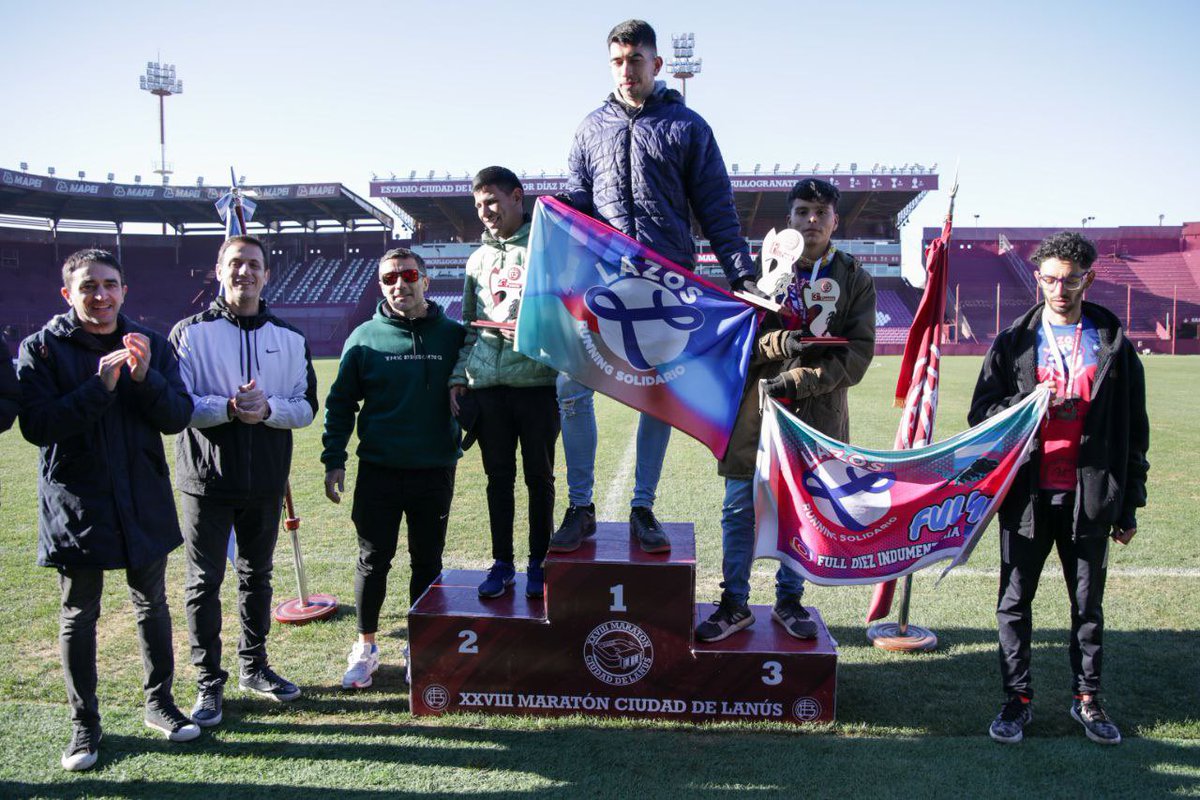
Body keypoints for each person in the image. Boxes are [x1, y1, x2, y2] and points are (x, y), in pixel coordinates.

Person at [550, 18, 760, 554]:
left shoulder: (688, 127)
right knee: (571, 388)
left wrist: (742, 274)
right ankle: (580, 506)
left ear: (657, 63)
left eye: (636, 60)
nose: (626, 70)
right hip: (602, 282)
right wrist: (552, 217)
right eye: (617, 62)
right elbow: (577, 202)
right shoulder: (589, 128)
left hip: (666, 284)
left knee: (656, 398)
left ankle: (643, 506)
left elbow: (716, 208)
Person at [18, 249, 199, 771]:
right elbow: (37, 426)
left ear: (124, 290)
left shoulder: (149, 342)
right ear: (67, 294)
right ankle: (84, 725)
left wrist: (145, 379)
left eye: (109, 285)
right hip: (77, 503)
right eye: (88, 287)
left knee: (152, 604)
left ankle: (160, 704)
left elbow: (177, 417)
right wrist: (99, 388)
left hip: (142, 496)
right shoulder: (42, 348)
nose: (100, 295)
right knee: (80, 613)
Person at [969, 231, 1149, 746]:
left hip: (1089, 496)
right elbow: (981, 416)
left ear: (1088, 279)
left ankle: (1087, 698)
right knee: (1014, 602)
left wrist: (1129, 504)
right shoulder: (1013, 342)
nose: (1059, 290)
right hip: (1026, 495)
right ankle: (1017, 700)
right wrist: (1027, 404)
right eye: (1049, 280)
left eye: (1070, 281)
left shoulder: (1114, 345)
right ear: (1038, 278)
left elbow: (1135, 431)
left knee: (1087, 606)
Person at [696, 179, 877, 642]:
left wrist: (798, 380)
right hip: (755, 411)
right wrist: (781, 342)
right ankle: (734, 603)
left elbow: (857, 356)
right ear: (789, 219)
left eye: (821, 212)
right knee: (739, 508)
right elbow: (738, 339)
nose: (811, 220)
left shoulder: (854, 278)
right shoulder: (761, 271)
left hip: (816, 417)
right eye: (802, 211)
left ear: (835, 221)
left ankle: (789, 601)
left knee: (802, 509)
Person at [170, 234, 318, 725]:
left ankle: (254, 666)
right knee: (204, 582)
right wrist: (228, 408)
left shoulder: (289, 336)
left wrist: (269, 408)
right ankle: (208, 681)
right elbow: (176, 404)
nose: (244, 272)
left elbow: (306, 406)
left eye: (254, 264)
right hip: (206, 480)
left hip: (265, 482)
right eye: (235, 263)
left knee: (258, 577)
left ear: (266, 274)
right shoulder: (189, 333)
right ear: (219, 270)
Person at [323, 248, 465, 689]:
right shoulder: (363, 337)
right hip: (379, 470)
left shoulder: (454, 336)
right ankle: (365, 647)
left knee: (428, 560)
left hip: (434, 469)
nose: (399, 284)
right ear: (381, 285)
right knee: (373, 560)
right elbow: (340, 403)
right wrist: (334, 459)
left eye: (408, 275)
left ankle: (420, 646)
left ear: (425, 280)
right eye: (389, 278)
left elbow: (477, 390)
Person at [449, 167, 560, 600]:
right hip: (487, 387)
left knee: (539, 478)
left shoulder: (545, 248)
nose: (485, 211)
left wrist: (539, 337)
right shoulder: (476, 260)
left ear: (517, 197)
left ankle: (539, 562)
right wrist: (459, 376)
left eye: (492, 201)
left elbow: (565, 314)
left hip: (536, 383)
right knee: (498, 479)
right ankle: (502, 564)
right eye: (478, 205)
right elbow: (468, 325)